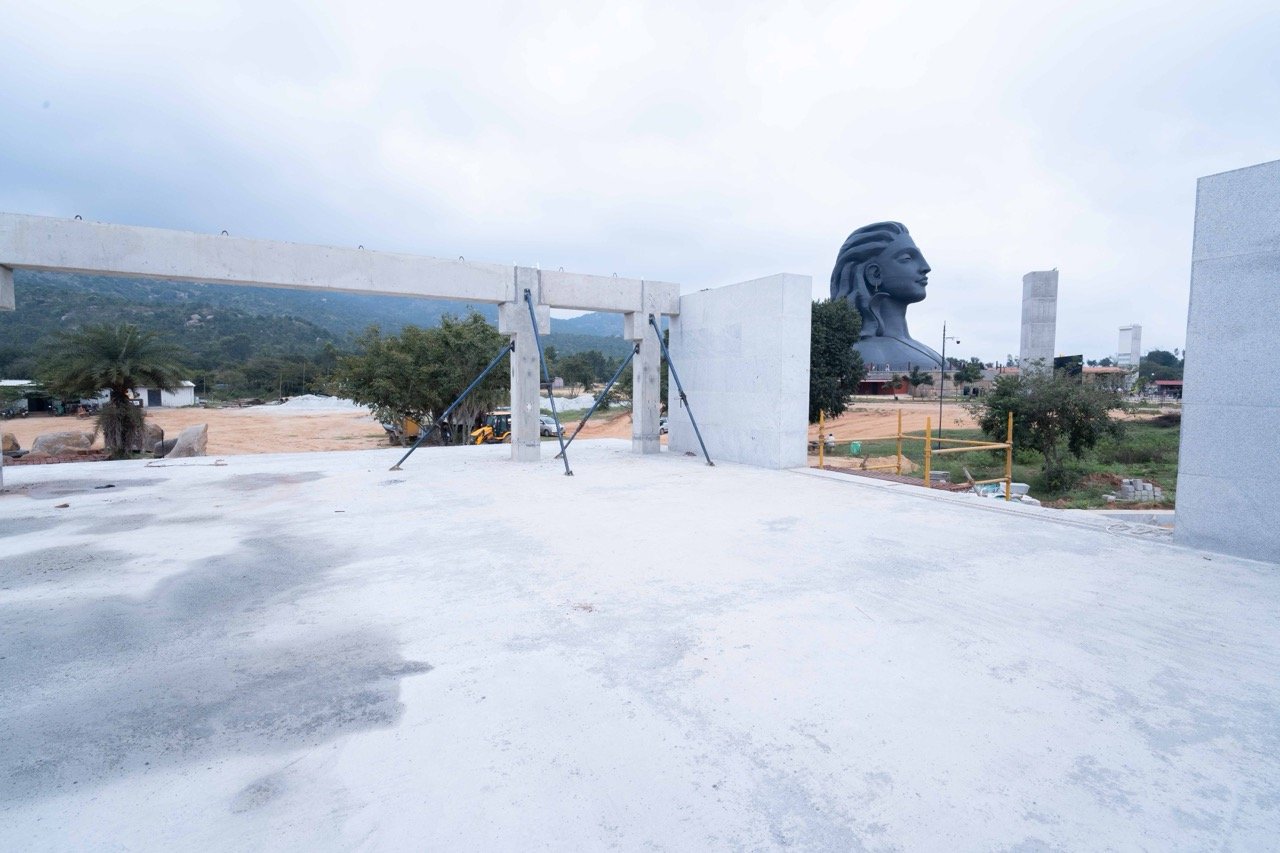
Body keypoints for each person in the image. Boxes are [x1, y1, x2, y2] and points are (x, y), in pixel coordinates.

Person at [830, 221, 943, 371]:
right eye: (907, 258)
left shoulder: (928, 353)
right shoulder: (862, 352)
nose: (926, 267)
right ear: (875, 274)